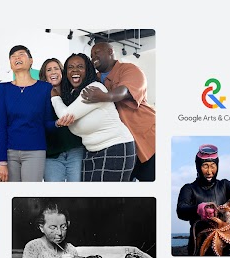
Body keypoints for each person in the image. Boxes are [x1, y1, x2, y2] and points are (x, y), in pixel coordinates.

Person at [51, 53, 135, 181]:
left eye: (80, 66)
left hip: (115, 147)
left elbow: (64, 115)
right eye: (70, 67)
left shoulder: (93, 89)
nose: (75, 70)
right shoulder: (73, 94)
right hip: (91, 151)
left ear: (88, 70)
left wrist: (54, 96)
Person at [84, 42, 156, 181]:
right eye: (91, 55)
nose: (93, 57)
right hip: (123, 145)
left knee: (151, 182)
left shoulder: (130, 69)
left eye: (97, 52)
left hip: (147, 138)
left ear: (110, 51)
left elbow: (123, 92)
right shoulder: (95, 79)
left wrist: (103, 96)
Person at [176, 144, 230, 255]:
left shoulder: (225, 185)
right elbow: (181, 210)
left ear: (217, 166)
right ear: (198, 166)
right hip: (198, 247)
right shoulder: (189, 189)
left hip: (226, 246)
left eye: (213, 166)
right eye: (205, 166)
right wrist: (198, 209)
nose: (209, 171)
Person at [0, 45, 56, 182]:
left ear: (31, 61)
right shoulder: (2, 89)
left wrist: (59, 123)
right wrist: (2, 161)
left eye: (21, 54)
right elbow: (1, 127)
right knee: (11, 196)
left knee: (30, 197)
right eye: (13, 56)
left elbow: (47, 122)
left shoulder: (45, 88)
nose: (17, 58)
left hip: (35, 150)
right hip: (10, 152)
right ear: (10, 63)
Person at [39, 58, 85, 182]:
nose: (53, 72)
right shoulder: (40, 96)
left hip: (75, 150)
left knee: (76, 194)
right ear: (44, 75)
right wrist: (56, 124)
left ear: (62, 72)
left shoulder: (74, 92)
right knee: (54, 196)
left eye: (56, 68)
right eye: (49, 70)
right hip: (52, 155)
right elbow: (41, 125)